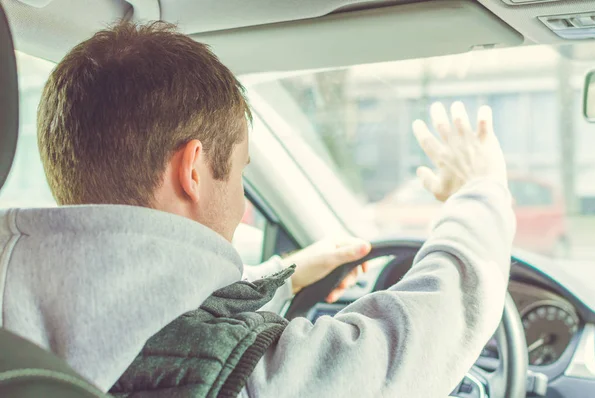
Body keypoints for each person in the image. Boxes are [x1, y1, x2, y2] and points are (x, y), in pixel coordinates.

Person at [0, 22, 515, 397]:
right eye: (242, 172)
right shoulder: (252, 381)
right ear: (193, 170)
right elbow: (429, 333)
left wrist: (281, 282)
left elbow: (144, 318)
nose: (243, 200)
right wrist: (481, 189)